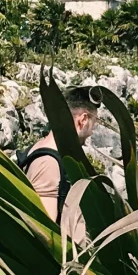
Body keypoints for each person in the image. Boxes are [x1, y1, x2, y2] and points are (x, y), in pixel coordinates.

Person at [22, 86, 105, 225]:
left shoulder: (43, 152)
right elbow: (44, 231)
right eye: (93, 124)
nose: (91, 132)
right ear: (83, 120)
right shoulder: (48, 163)